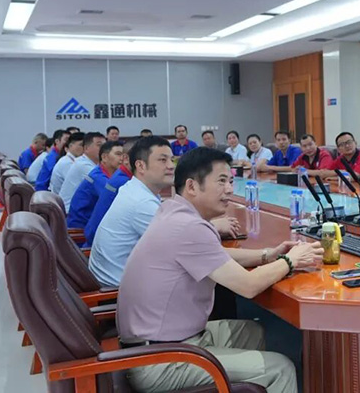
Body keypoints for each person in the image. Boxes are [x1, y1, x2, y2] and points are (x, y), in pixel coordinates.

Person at [117, 147, 322, 393]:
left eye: (231, 181)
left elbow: (217, 256)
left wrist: (269, 254)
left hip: (164, 341)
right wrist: (290, 260)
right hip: (161, 360)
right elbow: (248, 286)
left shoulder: (174, 212)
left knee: (251, 332)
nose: (229, 189)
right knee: (280, 368)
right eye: (221, 181)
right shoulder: (189, 227)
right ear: (192, 186)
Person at [89, 137, 241, 287]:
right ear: (141, 166)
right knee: (214, 279)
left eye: (172, 160)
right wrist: (214, 226)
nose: (171, 166)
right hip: (116, 289)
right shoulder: (141, 203)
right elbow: (194, 245)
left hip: (120, 277)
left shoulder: (135, 189)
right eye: (163, 160)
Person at [66, 141, 124, 230]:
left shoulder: (106, 174)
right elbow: (117, 202)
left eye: (124, 155)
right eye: (118, 154)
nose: (122, 158)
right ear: (104, 157)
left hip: (90, 225)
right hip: (80, 228)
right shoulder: (98, 177)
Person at [84, 146, 133, 246]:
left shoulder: (118, 175)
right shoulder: (123, 183)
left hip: (94, 235)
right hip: (90, 238)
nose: (120, 158)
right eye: (118, 154)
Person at [59, 131, 105, 211]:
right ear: (86, 148)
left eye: (105, 146)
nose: (104, 149)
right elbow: (105, 187)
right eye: (99, 145)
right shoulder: (83, 165)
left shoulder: (90, 163)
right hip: (70, 211)